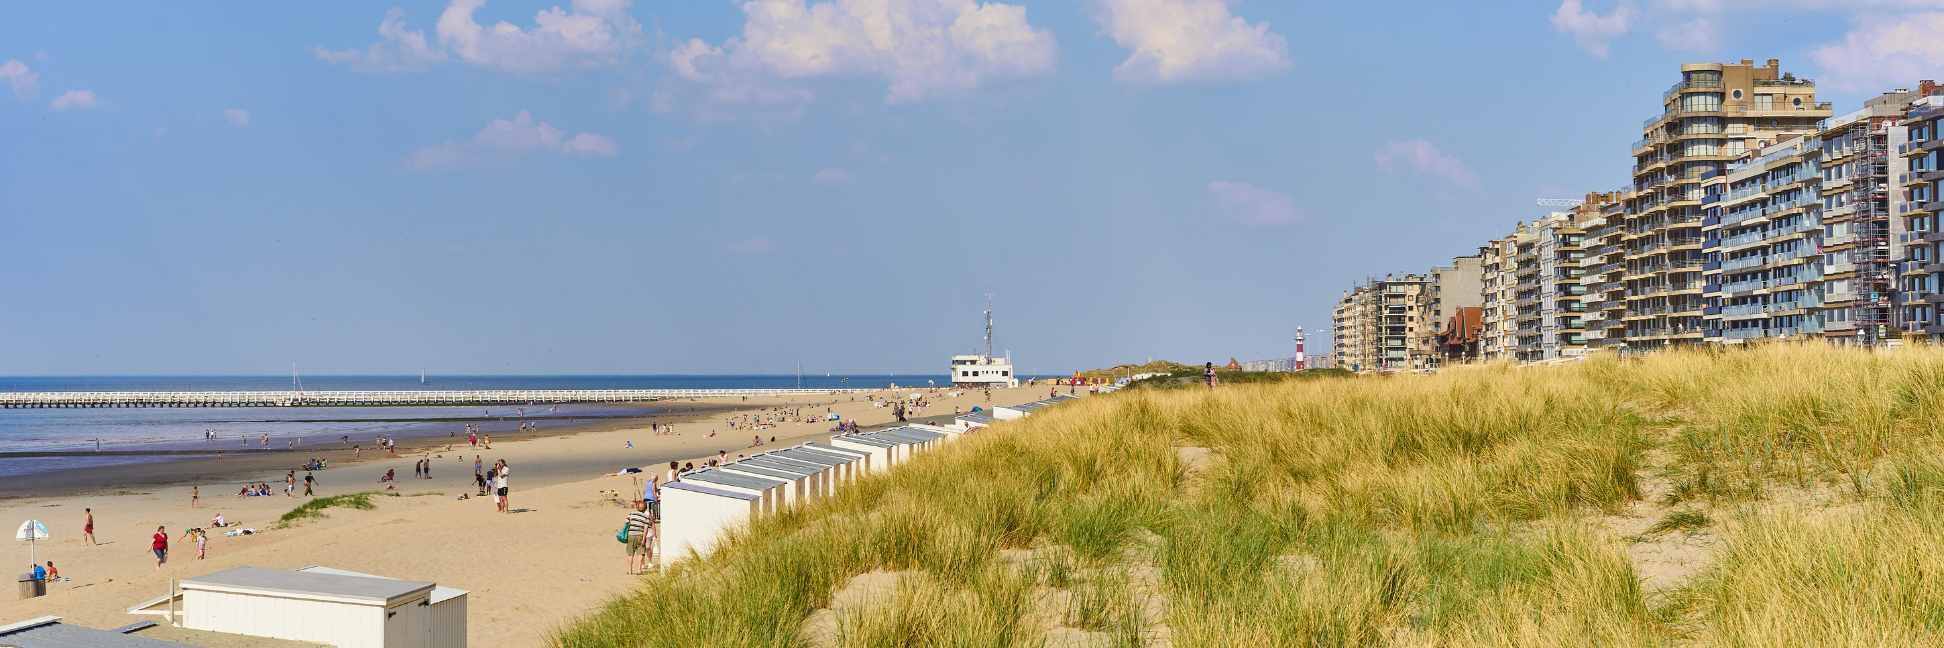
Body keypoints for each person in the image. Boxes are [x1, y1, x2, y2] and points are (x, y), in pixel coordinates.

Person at [625, 500, 654, 574]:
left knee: (630, 553)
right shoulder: (646, 517)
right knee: (640, 553)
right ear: (645, 509)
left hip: (631, 535)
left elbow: (626, 521)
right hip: (640, 536)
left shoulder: (631, 513)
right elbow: (646, 529)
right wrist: (644, 539)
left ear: (637, 507)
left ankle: (630, 570)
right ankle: (639, 570)